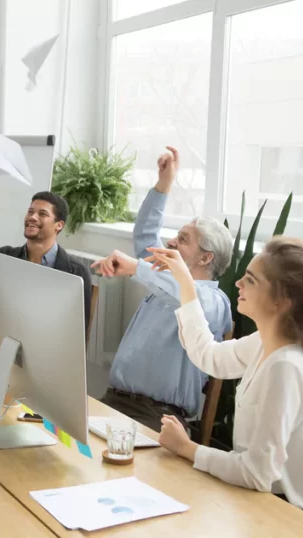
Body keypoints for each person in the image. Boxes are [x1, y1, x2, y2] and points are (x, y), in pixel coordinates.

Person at [145, 237, 303, 527]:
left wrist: (186, 447)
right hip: (261, 502)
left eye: (251, 280)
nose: (238, 284)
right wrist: (185, 282)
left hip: (294, 520)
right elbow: (210, 356)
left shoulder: (286, 366)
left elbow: (257, 472)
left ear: (282, 301)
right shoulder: (265, 343)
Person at [91, 147, 233, 433]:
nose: (170, 243)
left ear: (206, 257)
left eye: (183, 239)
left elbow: (189, 298)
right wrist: (164, 185)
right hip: (114, 402)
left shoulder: (213, 301)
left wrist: (136, 267)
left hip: (159, 418)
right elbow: (145, 234)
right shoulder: (162, 277)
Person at [0, 191, 92, 338]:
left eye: (42, 214)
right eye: (30, 211)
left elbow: (78, 333)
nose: (32, 217)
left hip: (45, 352)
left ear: (59, 225)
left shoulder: (76, 273)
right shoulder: (6, 256)